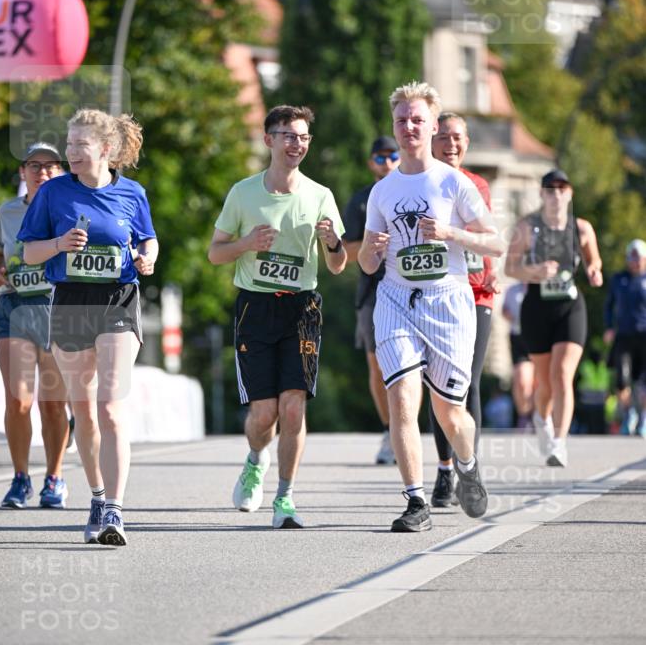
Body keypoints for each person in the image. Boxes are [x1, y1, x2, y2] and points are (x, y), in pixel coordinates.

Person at [358, 81, 503, 532]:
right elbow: (365, 263)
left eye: (417, 120)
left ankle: (467, 464)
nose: (409, 127)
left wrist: (450, 234)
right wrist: (371, 252)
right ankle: (415, 501)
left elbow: (495, 242)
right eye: (401, 120)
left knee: (450, 413)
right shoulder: (382, 191)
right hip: (396, 300)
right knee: (403, 398)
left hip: (448, 302)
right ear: (394, 126)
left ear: (432, 126)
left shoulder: (453, 182)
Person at [18, 109, 158, 546]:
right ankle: (97, 496)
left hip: (118, 299)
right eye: (69, 143)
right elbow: (29, 253)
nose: (71, 152)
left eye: (80, 144)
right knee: (84, 411)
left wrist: (148, 258)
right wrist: (59, 244)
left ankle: (115, 508)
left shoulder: (132, 192)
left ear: (106, 149)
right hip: (71, 302)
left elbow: (148, 238)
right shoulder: (53, 193)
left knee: (110, 405)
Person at [208, 105, 346, 530]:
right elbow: (215, 253)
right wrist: (246, 243)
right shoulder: (243, 193)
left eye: (303, 137)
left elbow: (338, 265)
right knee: (264, 414)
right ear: (269, 140)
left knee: (293, 406)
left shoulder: (320, 195)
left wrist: (332, 243)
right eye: (288, 135)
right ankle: (255, 460)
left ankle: (284, 497)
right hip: (255, 306)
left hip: (301, 308)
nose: (296, 144)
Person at [0, 143, 70, 509]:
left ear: (61, 172)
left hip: (55, 308)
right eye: (34, 165)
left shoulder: (69, 209)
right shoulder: (7, 212)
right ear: (23, 172)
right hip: (15, 306)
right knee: (18, 400)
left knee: (51, 404)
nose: (42, 172)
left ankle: (54, 478)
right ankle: (20, 478)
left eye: (51, 166)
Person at [504, 168, 603, 467]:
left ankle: (559, 443)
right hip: (536, 307)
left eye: (562, 188)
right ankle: (541, 417)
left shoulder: (581, 228)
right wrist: (534, 271)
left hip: (570, 306)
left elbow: (594, 259)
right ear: (542, 194)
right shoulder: (527, 227)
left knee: (562, 375)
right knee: (545, 383)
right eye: (550, 189)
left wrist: (594, 270)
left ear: (570, 193)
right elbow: (510, 268)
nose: (556, 194)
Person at [427, 112, 500, 507]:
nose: (450, 144)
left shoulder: (478, 184)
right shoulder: (423, 183)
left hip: (477, 294)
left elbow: (486, 234)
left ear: (467, 143)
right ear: (431, 141)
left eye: (457, 137)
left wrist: (492, 269)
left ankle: (467, 469)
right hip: (438, 294)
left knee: (469, 382)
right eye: (443, 137)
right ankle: (443, 469)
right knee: (438, 385)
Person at [343, 136, 400, 465]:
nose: (387, 162)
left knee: (412, 368)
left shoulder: (414, 191)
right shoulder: (361, 200)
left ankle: (407, 430)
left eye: (392, 155)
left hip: (412, 288)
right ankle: (390, 430)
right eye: (380, 157)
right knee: (377, 368)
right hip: (373, 292)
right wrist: (371, 242)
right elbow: (344, 251)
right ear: (371, 163)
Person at [603, 238, 646, 437]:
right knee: (622, 379)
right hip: (624, 336)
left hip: (644, 336)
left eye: (638, 258)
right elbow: (609, 306)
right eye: (632, 258)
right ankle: (629, 414)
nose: (635, 262)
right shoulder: (619, 279)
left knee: (644, 381)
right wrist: (609, 327)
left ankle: (643, 417)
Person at [501, 281, 535, 430]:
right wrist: (509, 315)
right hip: (518, 337)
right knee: (522, 380)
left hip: (539, 336)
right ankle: (524, 415)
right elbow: (504, 310)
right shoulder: (512, 289)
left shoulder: (540, 287)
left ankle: (540, 416)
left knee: (539, 381)